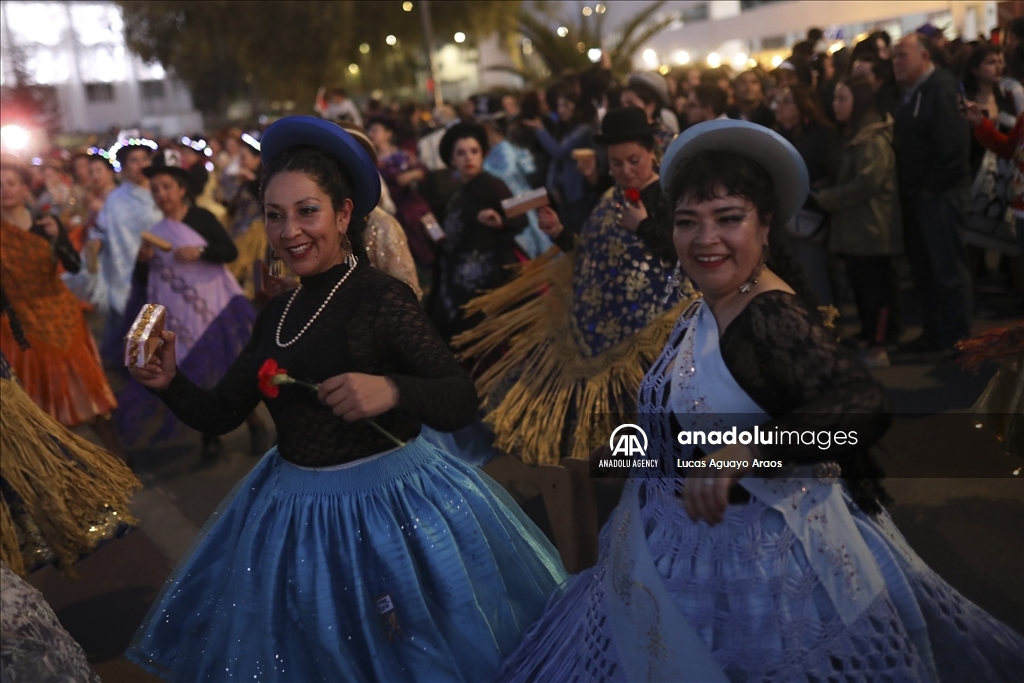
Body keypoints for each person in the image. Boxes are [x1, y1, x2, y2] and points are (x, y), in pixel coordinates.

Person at [496, 119, 1024, 683]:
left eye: (729, 219)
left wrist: (747, 450)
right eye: (687, 222)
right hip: (679, 555)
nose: (706, 240)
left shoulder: (770, 314)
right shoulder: (707, 306)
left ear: (765, 226)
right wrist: (617, 457)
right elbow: (683, 421)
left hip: (766, 576)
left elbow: (861, 406)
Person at [124, 117, 565, 682]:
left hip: (395, 521)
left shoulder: (382, 299)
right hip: (296, 528)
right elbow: (220, 412)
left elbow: (458, 398)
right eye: (275, 216)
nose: (290, 232)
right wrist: (169, 383)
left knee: (413, 658)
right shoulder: (276, 317)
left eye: (308, 211)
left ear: (344, 214)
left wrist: (392, 389)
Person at [457, 107, 694, 465]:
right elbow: (593, 252)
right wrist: (560, 234)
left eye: (633, 160)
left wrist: (644, 227)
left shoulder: (666, 197)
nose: (626, 170)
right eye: (616, 163)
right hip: (596, 326)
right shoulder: (611, 197)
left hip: (652, 333)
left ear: (652, 153)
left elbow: (682, 255)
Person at [114, 149, 267, 459]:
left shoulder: (202, 218)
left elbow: (229, 253)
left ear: (182, 189)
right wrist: (143, 262)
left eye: (167, 186)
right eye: (155, 189)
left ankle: (254, 423)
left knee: (226, 371)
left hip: (213, 307)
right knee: (191, 371)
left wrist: (199, 252)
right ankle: (208, 435)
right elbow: (145, 282)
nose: (161, 194)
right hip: (178, 313)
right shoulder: (155, 234)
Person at [0, 161, 125, 461]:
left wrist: (59, 237)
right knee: (39, 407)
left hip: (62, 318)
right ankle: (65, 475)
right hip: (19, 329)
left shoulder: (46, 224)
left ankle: (120, 462)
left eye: (11, 183)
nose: (4, 190)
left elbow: (73, 266)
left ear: (25, 187)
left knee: (88, 395)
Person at [892, 32, 973, 355]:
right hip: (919, 195)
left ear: (924, 57)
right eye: (895, 56)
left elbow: (953, 147)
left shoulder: (939, 87)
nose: (896, 63)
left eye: (903, 55)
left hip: (940, 194)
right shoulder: (913, 91)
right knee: (925, 270)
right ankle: (934, 333)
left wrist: (929, 189)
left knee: (948, 270)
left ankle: (958, 340)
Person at [817, 76, 902, 368]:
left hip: (871, 227)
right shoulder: (854, 133)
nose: (835, 105)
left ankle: (879, 345)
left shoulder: (872, 138)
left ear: (860, 101)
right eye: (835, 98)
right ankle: (870, 335)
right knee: (862, 286)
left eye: (843, 98)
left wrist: (827, 198)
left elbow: (867, 183)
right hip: (856, 227)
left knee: (875, 290)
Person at [426, 122, 528, 345]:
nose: (468, 158)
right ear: (452, 160)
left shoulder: (493, 185)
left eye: (474, 151)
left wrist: (500, 222)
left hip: (489, 278)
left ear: (483, 155)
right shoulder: (457, 193)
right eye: (461, 153)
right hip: (456, 281)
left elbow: (521, 217)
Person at [87, 139, 163, 359]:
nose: (140, 165)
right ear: (124, 166)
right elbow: (101, 229)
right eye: (133, 160)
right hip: (124, 264)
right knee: (128, 312)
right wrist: (96, 244)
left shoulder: (162, 191)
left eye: (144, 159)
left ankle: (158, 357)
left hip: (159, 262)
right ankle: (132, 359)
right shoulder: (115, 199)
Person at [774, 83, 840, 305]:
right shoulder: (782, 133)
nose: (779, 107)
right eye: (779, 101)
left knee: (814, 276)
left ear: (804, 107)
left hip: (811, 215)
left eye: (786, 102)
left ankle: (825, 329)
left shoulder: (820, 135)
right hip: (788, 217)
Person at [477, 97, 553, 259]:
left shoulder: (502, 154)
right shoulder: (508, 148)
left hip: (520, 223)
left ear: (487, 126)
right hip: (524, 217)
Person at [522, 87, 599, 236]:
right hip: (563, 192)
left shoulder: (583, 129)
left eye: (565, 105)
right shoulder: (564, 128)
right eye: (559, 106)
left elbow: (558, 152)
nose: (561, 110)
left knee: (582, 233)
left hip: (579, 192)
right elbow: (555, 162)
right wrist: (552, 185)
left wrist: (540, 130)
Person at [367, 116, 436, 280]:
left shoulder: (403, 154)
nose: (372, 134)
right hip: (392, 212)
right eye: (370, 130)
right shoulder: (372, 161)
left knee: (429, 242)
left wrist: (412, 175)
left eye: (376, 130)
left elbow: (421, 170)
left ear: (388, 133)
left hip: (413, 207)